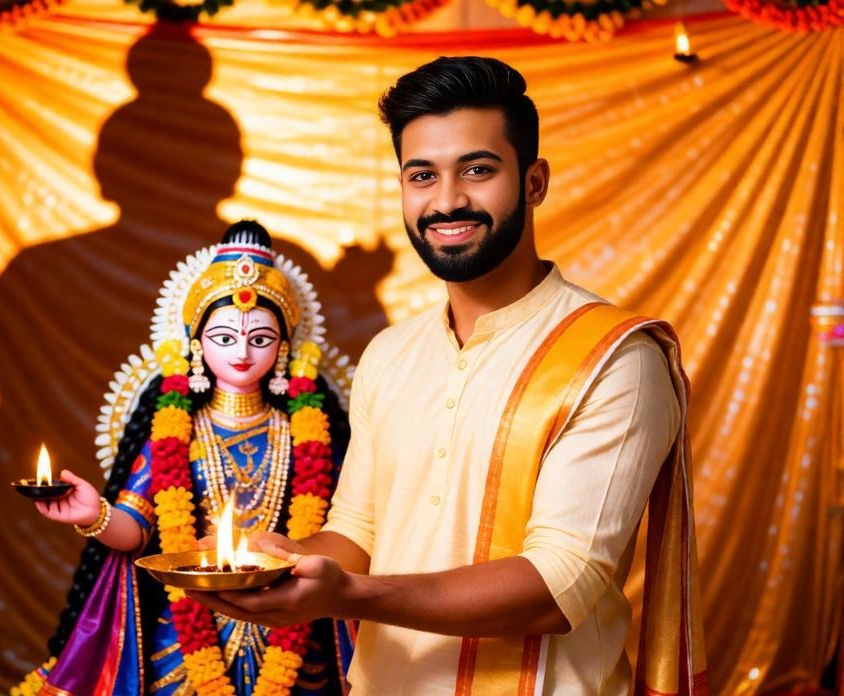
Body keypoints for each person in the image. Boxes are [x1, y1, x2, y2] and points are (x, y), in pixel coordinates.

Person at [189, 57, 707, 695]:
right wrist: (279, 562)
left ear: (535, 180)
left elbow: (559, 586)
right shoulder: (390, 353)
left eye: (478, 170)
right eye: (422, 176)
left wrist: (350, 595)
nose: (447, 201)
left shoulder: (614, 358)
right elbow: (358, 532)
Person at [17, 220, 356, 695]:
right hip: (185, 635)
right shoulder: (174, 432)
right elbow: (136, 529)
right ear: (196, 346)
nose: (241, 352)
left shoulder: (307, 438)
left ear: (283, 350)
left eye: (259, 339)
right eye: (224, 338)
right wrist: (95, 515)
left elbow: (348, 531)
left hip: (291, 628)